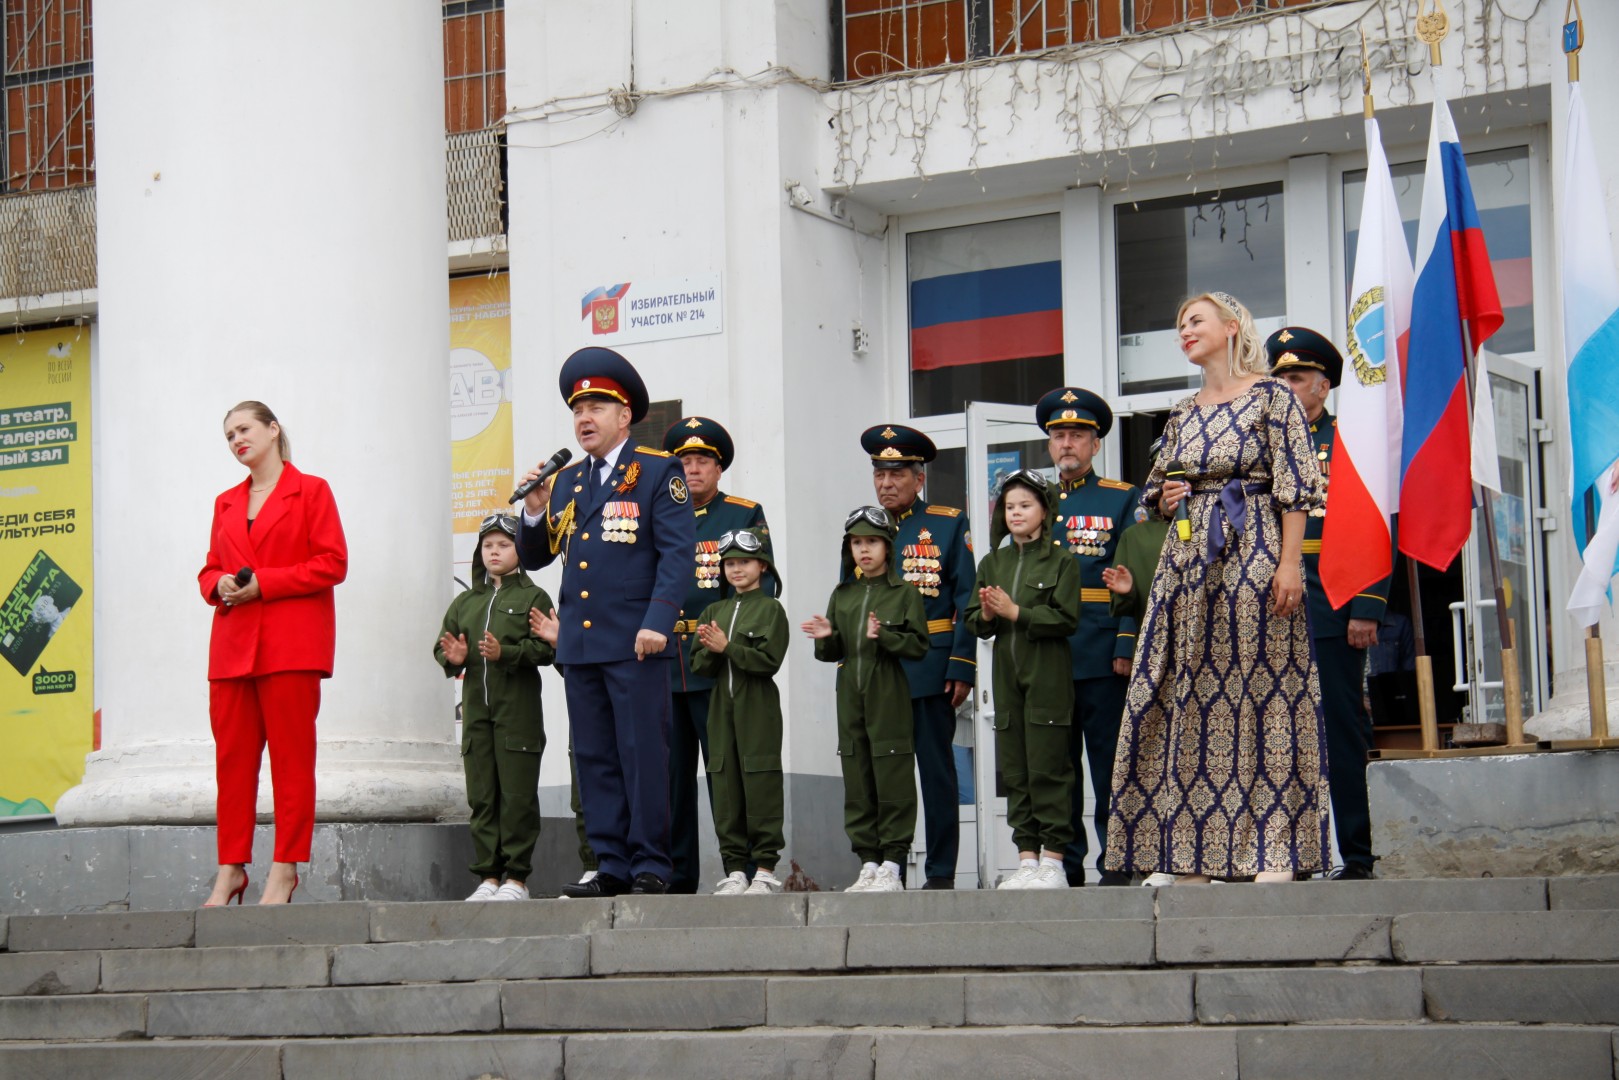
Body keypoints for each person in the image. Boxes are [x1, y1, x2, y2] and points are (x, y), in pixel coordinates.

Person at [1103, 292, 1331, 884]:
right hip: (1186, 564)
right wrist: (1165, 496)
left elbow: (1298, 489)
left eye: (1194, 321)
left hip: (1253, 549)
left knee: (1264, 692)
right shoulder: (1181, 412)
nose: (1184, 331)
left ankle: (1274, 849)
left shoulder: (1271, 396)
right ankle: (1194, 854)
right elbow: (1151, 493)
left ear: (1232, 327)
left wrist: (1289, 565)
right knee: (1190, 698)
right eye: (1178, 324)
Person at [515, 347, 696, 897]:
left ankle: (650, 865)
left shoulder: (658, 472)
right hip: (582, 646)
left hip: (637, 642)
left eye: (596, 405)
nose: (584, 418)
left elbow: (678, 554)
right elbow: (538, 555)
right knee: (594, 758)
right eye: (578, 409)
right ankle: (610, 861)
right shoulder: (569, 482)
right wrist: (533, 509)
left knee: (642, 755)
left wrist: (658, 622)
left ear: (625, 416)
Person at [198, 401, 348, 906]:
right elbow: (209, 570)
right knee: (232, 764)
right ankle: (231, 870)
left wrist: (264, 584)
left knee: (291, 762)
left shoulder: (312, 491)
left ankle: (284, 870)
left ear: (272, 430)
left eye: (244, 429)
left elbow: (332, 563)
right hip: (232, 648)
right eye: (228, 436)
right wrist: (216, 582)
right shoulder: (224, 501)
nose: (236, 440)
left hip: (290, 646)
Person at [1268, 326, 1390, 881]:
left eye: (1296, 378)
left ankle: (1356, 855)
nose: (1287, 387)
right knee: (1276, 735)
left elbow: (1372, 521)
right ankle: (1285, 854)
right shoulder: (1260, 444)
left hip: (1333, 601)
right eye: (1280, 378)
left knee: (1339, 731)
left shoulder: (1347, 441)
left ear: (1323, 385)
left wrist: (1367, 603)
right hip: (1269, 607)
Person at [860, 424, 975, 889]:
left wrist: (961, 664)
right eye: (879, 474)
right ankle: (887, 866)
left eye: (896, 474)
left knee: (936, 774)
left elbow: (966, 598)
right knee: (883, 774)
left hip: (930, 666)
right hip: (877, 672)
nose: (886, 483)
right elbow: (850, 600)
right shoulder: (862, 530)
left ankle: (941, 871)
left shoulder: (947, 524)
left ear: (918, 478)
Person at [661, 415, 772, 893]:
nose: (691, 469)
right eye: (683, 460)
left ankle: (742, 869)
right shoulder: (656, 512)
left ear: (719, 467)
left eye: (702, 460)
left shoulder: (741, 513)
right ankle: (677, 876)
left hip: (717, 661)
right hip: (666, 661)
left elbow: (761, 589)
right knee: (671, 780)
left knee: (728, 771)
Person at [1035, 387, 1140, 887]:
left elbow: (1130, 574)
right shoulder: (1031, 501)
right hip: (1046, 655)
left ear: (1095, 444)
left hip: (1100, 652)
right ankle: (1066, 865)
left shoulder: (1121, 499)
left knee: (1109, 765)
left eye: (1078, 434)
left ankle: (1117, 863)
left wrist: (1125, 642)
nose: (1067, 443)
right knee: (1058, 767)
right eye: (1059, 435)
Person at [802, 506, 930, 893]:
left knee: (892, 775)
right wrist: (826, 636)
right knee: (858, 778)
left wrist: (885, 637)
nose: (864, 550)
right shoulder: (843, 595)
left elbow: (919, 645)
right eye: (857, 543)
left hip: (887, 691)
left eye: (872, 542)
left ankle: (893, 863)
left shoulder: (904, 593)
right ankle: (869, 862)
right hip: (849, 694)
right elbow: (829, 655)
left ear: (888, 547)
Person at [964, 470, 1081, 890]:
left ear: (1044, 511)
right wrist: (989, 614)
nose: (1016, 513)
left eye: (1025, 505)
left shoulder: (1061, 560)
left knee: (1049, 767)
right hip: (1006, 678)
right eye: (1010, 506)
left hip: (1048, 675)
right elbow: (974, 623)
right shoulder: (992, 563)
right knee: (1016, 770)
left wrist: (1018, 613)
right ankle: (1026, 859)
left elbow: (1068, 619)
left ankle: (1053, 861)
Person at [436, 513, 556, 902]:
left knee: (517, 797)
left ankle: (517, 879)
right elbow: (444, 647)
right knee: (483, 796)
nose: (494, 552)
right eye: (488, 545)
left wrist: (507, 653)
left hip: (517, 714)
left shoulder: (533, 597)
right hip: (476, 717)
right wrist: (453, 656)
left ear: (519, 549)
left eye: (503, 544)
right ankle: (489, 876)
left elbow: (546, 649)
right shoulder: (466, 602)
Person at [690, 527, 789, 896]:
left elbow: (768, 662)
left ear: (762, 566)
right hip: (720, 708)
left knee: (761, 782)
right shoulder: (713, 610)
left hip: (758, 706)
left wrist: (727, 647)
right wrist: (714, 650)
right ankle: (734, 869)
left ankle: (764, 868)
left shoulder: (771, 610)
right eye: (729, 563)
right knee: (725, 783)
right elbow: (698, 663)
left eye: (744, 562)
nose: (736, 570)